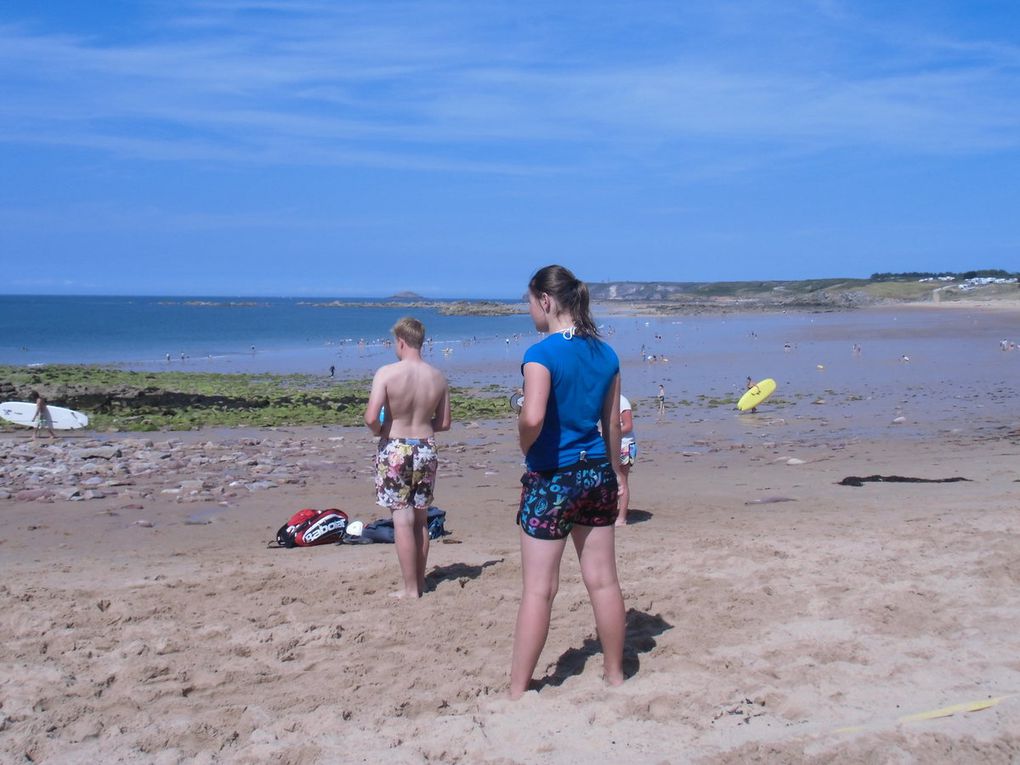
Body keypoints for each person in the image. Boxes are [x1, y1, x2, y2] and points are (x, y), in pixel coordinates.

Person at [511, 264, 626, 700]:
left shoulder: (541, 354)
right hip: (596, 472)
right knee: (603, 581)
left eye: (529, 301)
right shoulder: (607, 354)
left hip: (552, 478)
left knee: (540, 590)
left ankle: (518, 690)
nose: (529, 311)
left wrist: (524, 444)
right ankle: (615, 675)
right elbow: (612, 423)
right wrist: (614, 473)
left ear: (546, 300)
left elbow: (533, 417)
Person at [364, 317, 451, 599]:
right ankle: (421, 582)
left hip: (396, 447)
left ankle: (410, 588)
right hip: (425, 446)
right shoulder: (437, 376)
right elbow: (445, 422)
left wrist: (382, 430)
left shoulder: (387, 373)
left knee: (401, 519)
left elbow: (370, 417)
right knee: (421, 520)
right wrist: (423, 427)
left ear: (401, 341)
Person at [616, 393, 636, 527]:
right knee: (611, 481)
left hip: (625, 446)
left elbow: (628, 426)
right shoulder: (604, 401)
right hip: (611, 445)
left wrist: (609, 432)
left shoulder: (622, 401)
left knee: (622, 481)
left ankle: (622, 518)